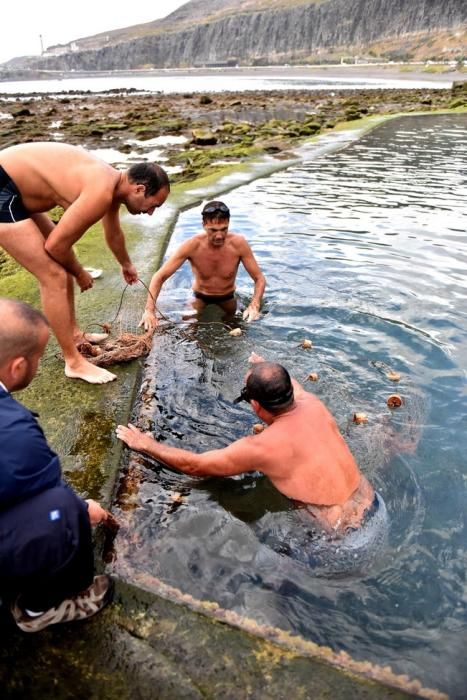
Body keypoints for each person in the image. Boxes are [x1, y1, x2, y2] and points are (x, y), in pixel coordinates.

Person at [116, 352, 378, 538]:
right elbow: (291, 385)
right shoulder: (313, 404)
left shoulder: (259, 447)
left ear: (255, 405)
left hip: (339, 532)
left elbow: (194, 465)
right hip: (373, 507)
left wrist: (145, 444)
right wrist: (263, 365)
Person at [0, 142, 170, 384]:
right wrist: (80, 273)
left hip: (17, 188)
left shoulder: (112, 184)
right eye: (154, 205)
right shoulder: (100, 190)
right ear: (139, 189)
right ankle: (74, 362)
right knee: (54, 275)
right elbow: (56, 246)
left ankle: (75, 335)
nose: (152, 212)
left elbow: (113, 233)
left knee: (61, 269)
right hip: (4, 185)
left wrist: (126, 264)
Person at [0, 297, 114, 632]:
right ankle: (39, 610)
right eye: (38, 358)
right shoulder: (13, 430)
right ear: (19, 367)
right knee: (61, 509)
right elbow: (44, 493)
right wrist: (82, 508)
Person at [139, 200, 266, 330]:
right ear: (204, 224)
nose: (219, 236)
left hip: (228, 297)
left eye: (224, 229)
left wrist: (254, 304)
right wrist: (149, 310)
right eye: (213, 230)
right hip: (199, 297)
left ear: (228, 223)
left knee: (241, 327)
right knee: (187, 328)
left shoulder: (239, 244)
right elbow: (159, 276)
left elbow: (259, 278)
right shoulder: (192, 246)